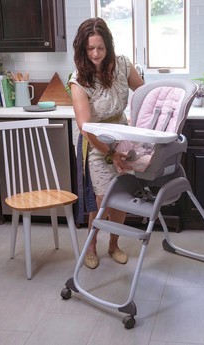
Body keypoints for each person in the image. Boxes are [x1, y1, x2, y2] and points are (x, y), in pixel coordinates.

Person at [69, 17, 144, 269]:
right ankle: (91, 246)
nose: (96, 53)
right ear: (82, 49)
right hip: (96, 143)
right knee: (102, 200)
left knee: (121, 196)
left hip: (123, 137)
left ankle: (114, 245)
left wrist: (143, 117)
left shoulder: (122, 65)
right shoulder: (79, 79)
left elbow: (143, 94)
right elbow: (85, 127)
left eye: (100, 47)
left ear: (108, 46)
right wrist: (111, 153)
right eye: (90, 49)